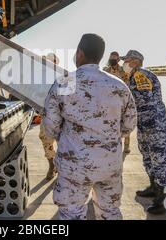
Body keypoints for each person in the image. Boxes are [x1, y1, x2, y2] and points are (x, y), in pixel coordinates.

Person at [43, 34, 137, 220]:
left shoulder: (65, 83)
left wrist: (63, 137)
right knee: (109, 211)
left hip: (74, 166)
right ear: (100, 56)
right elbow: (129, 125)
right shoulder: (118, 85)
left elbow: (50, 126)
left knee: (71, 214)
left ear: (80, 53)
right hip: (109, 163)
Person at [120, 50, 166, 215]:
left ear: (135, 61)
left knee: (160, 160)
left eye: (126, 60)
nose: (124, 64)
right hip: (145, 124)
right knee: (148, 158)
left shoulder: (141, 75)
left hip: (155, 125)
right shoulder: (134, 75)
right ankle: (154, 188)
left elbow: (144, 99)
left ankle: (165, 200)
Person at [104, 51, 131, 154]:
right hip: (109, 101)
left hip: (121, 100)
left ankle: (127, 146)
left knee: (125, 123)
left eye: (115, 58)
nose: (112, 60)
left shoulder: (123, 70)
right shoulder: (106, 70)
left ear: (118, 59)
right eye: (111, 58)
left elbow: (127, 82)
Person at [39, 53, 60, 180]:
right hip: (46, 114)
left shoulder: (62, 77)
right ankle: (52, 165)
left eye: (51, 61)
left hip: (61, 116)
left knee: (63, 142)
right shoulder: (41, 78)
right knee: (45, 139)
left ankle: (61, 167)